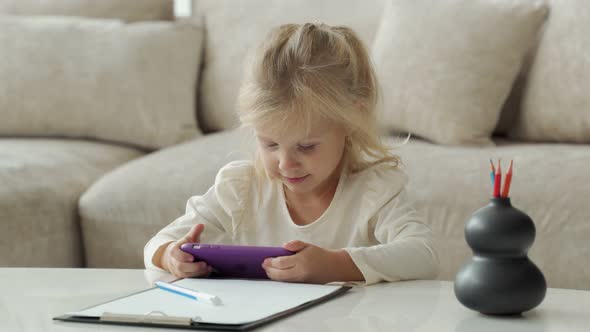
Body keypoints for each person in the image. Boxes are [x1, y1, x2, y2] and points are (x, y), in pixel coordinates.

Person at [144, 23, 438, 285]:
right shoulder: (241, 188)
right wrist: (170, 257)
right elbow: (157, 244)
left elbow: (423, 255)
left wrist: (336, 265)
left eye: (306, 146)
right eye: (270, 145)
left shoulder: (374, 190)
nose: (286, 164)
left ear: (350, 122)